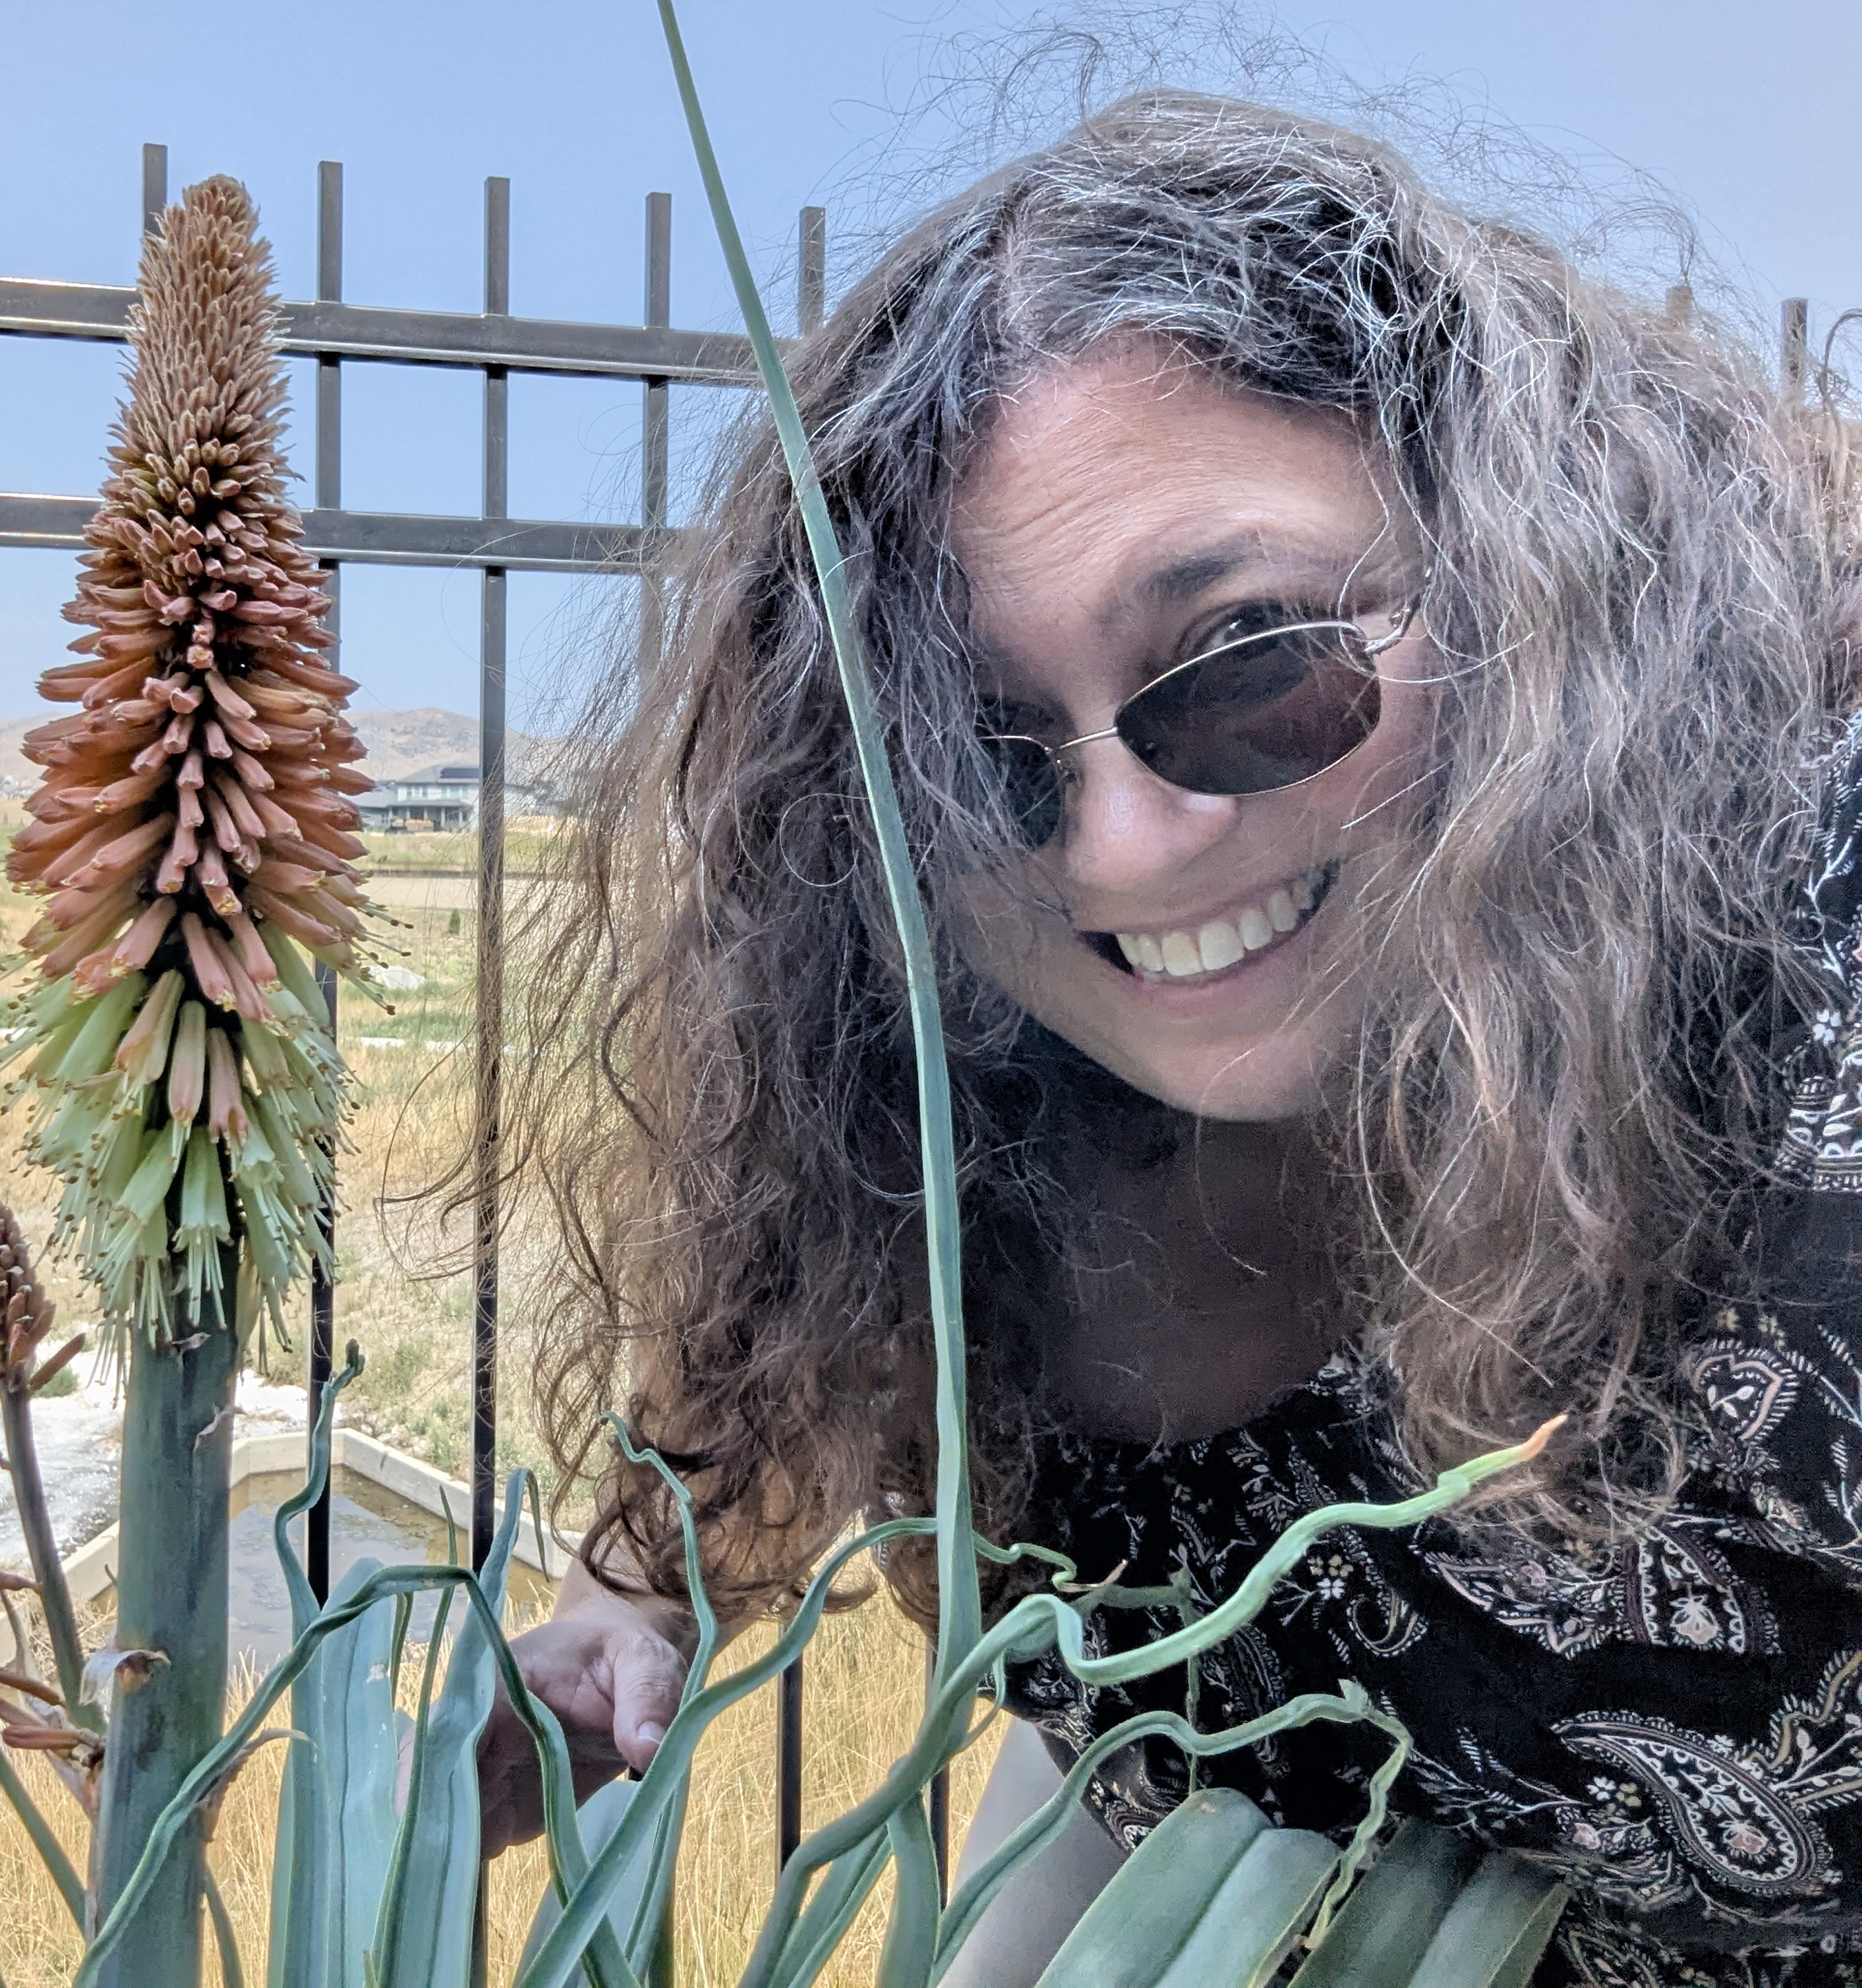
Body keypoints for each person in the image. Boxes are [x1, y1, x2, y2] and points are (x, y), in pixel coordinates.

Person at [475, 89, 1862, 1987]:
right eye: (977, 766)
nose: (1123, 851)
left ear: (1554, 586)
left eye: (1252, 662)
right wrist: (623, 1602)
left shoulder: (1815, 1023)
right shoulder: (956, 1115)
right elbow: (762, 1408)